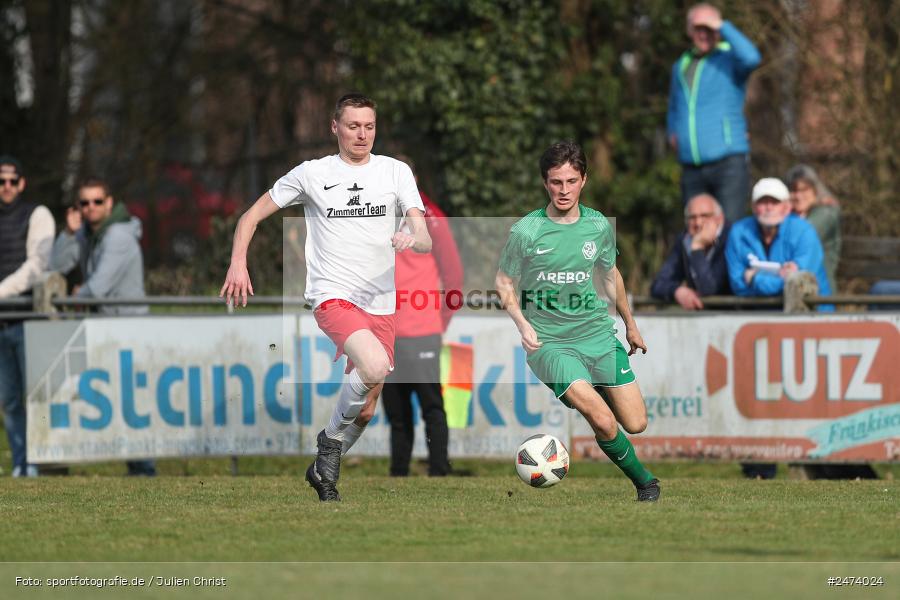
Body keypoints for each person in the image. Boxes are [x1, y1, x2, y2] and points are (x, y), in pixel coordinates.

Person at [220, 93, 431, 502]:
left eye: (369, 126)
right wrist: (237, 263)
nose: (362, 134)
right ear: (335, 127)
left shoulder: (396, 171)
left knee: (366, 409)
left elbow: (423, 235)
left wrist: (413, 237)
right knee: (373, 364)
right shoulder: (312, 173)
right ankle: (330, 441)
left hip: (382, 303)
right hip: (332, 295)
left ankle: (321, 469)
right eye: (353, 126)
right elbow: (250, 216)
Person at [495, 141, 660, 502]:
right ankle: (647, 484)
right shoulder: (526, 231)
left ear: (584, 180)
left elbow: (610, 275)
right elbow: (503, 282)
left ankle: (590, 390)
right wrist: (523, 324)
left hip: (596, 334)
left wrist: (630, 325)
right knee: (602, 419)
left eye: (571, 181)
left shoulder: (597, 225)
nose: (564, 190)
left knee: (635, 423)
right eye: (556, 182)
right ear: (545, 183)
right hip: (550, 342)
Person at [49, 177, 156, 476]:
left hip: (128, 332)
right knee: (112, 401)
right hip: (105, 330)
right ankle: (137, 469)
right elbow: (56, 266)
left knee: (130, 404)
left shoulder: (118, 235)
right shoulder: (87, 234)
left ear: (109, 203)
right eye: (84, 203)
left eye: (97, 201)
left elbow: (98, 287)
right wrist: (68, 233)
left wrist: (74, 297)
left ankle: (144, 470)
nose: (91, 207)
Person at [382, 167, 464, 477]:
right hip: (387, 331)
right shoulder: (377, 215)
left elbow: (454, 276)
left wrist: (439, 321)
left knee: (431, 405)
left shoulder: (432, 218)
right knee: (396, 411)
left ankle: (439, 472)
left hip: (422, 330)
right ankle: (398, 475)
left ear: (414, 182)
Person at [667, 3, 761, 225]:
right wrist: (672, 133)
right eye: (698, 28)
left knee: (729, 229)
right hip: (691, 166)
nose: (704, 34)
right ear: (689, 30)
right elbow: (674, 105)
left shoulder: (730, 59)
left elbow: (752, 58)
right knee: (696, 230)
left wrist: (722, 25)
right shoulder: (681, 65)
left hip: (728, 163)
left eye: (709, 28)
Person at [0, 156, 54, 478]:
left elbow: (36, 266)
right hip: (1, 324)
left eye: (11, 180)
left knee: (36, 398)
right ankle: (21, 464)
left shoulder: (37, 214)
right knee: (9, 400)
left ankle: (39, 461)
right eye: (1, 181)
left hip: (27, 322)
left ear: (22, 183)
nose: (6, 186)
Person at [725, 177, 832, 303]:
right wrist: (783, 279)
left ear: (787, 207)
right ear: (753, 207)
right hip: (755, 310)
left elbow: (801, 285)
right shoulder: (738, 232)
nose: (769, 208)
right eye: (763, 202)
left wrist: (754, 279)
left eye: (775, 202)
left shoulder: (804, 231)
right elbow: (738, 286)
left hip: (810, 310)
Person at [650, 193, 731, 309]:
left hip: (738, 314)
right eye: (692, 217)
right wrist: (677, 291)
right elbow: (657, 284)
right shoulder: (684, 240)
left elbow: (709, 289)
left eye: (705, 216)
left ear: (720, 218)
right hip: (701, 315)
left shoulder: (732, 237)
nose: (698, 223)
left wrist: (697, 247)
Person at [785, 164, 841, 293]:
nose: (798, 196)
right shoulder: (790, 214)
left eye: (804, 190)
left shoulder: (827, 213)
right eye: (794, 190)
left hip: (819, 286)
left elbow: (801, 237)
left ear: (815, 190)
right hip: (790, 284)